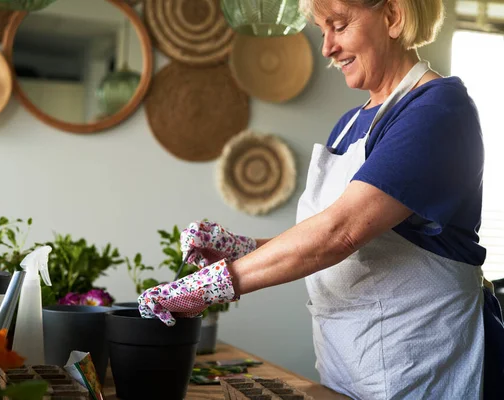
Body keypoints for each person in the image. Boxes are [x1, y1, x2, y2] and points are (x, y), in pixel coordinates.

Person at [137, 0, 504, 398]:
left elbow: (339, 234)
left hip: (422, 363)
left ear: (394, 16)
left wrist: (210, 287)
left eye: (339, 25)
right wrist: (240, 249)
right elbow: (336, 243)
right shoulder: (348, 125)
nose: (327, 47)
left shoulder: (437, 109)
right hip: (350, 363)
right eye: (322, 30)